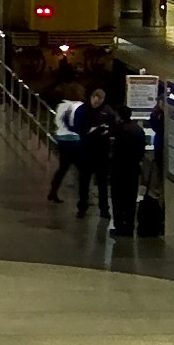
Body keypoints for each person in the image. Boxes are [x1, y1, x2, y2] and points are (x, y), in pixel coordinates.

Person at [73, 87, 116, 219]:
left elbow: (113, 128)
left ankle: (104, 209)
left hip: (101, 152)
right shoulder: (82, 110)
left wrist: (106, 132)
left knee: (102, 183)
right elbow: (77, 127)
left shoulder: (107, 111)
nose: (96, 103)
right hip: (86, 150)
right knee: (84, 181)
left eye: (99, 101)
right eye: (94, 100)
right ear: (91, 97)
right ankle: (82, 206)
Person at [108, 105, 147, 238]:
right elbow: (142, 150)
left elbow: (113, 150)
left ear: (119, 116)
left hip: (119, 169)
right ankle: (129, 226)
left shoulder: (117, 130)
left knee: (118, 199)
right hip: (133, 168)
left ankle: (119, 227)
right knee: (131, 198)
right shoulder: (138, 130)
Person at [47, 92, 84, 203]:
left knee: (63, 168)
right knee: (82, 169)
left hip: (62, 140)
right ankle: (83, 196)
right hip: (75, 140)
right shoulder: (80, 106)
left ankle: (53, 191)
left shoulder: (61, 106)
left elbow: (57, 121)